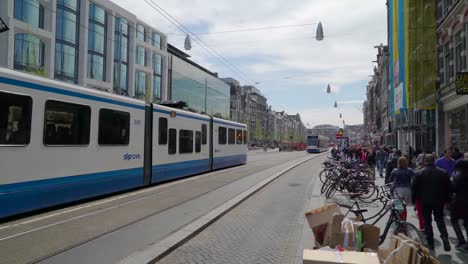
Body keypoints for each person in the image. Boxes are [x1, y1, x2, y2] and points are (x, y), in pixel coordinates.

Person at [412, 154, 452, 251]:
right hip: (439, 201)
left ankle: (430, 243)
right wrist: (447, 200)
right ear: (434, 161)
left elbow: (415, 188)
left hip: (425, 201)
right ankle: (444, 236)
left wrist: (414, 200)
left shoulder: (419, 173)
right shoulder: (443, 173)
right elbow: (448, 188)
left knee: (427, 221)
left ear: (425, 161)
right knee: (440, 220)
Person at [450, 160, 468, 250]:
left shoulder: (457, 177)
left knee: (454, 221)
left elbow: (452, 189)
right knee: (467, 222)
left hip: (458, 202)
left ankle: (461, 241)